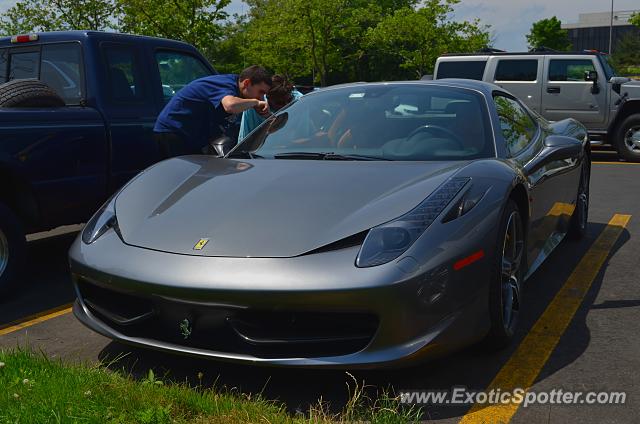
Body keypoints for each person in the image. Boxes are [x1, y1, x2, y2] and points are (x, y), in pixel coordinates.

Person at [153, 65, 272, 158]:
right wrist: (255, 103)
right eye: (260, 92)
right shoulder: (225, 85)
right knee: (183, 178)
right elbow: (230, 106)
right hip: (173, 132)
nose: (261, 98)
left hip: (191, 135)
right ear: (246, 83)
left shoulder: (237, 92)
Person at [237, 75, 303, 141]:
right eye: (280, 103)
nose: (286, 105)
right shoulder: (253, 107)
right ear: (268, 100)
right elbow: (244, 140)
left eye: (289, 100)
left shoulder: (299, 100)